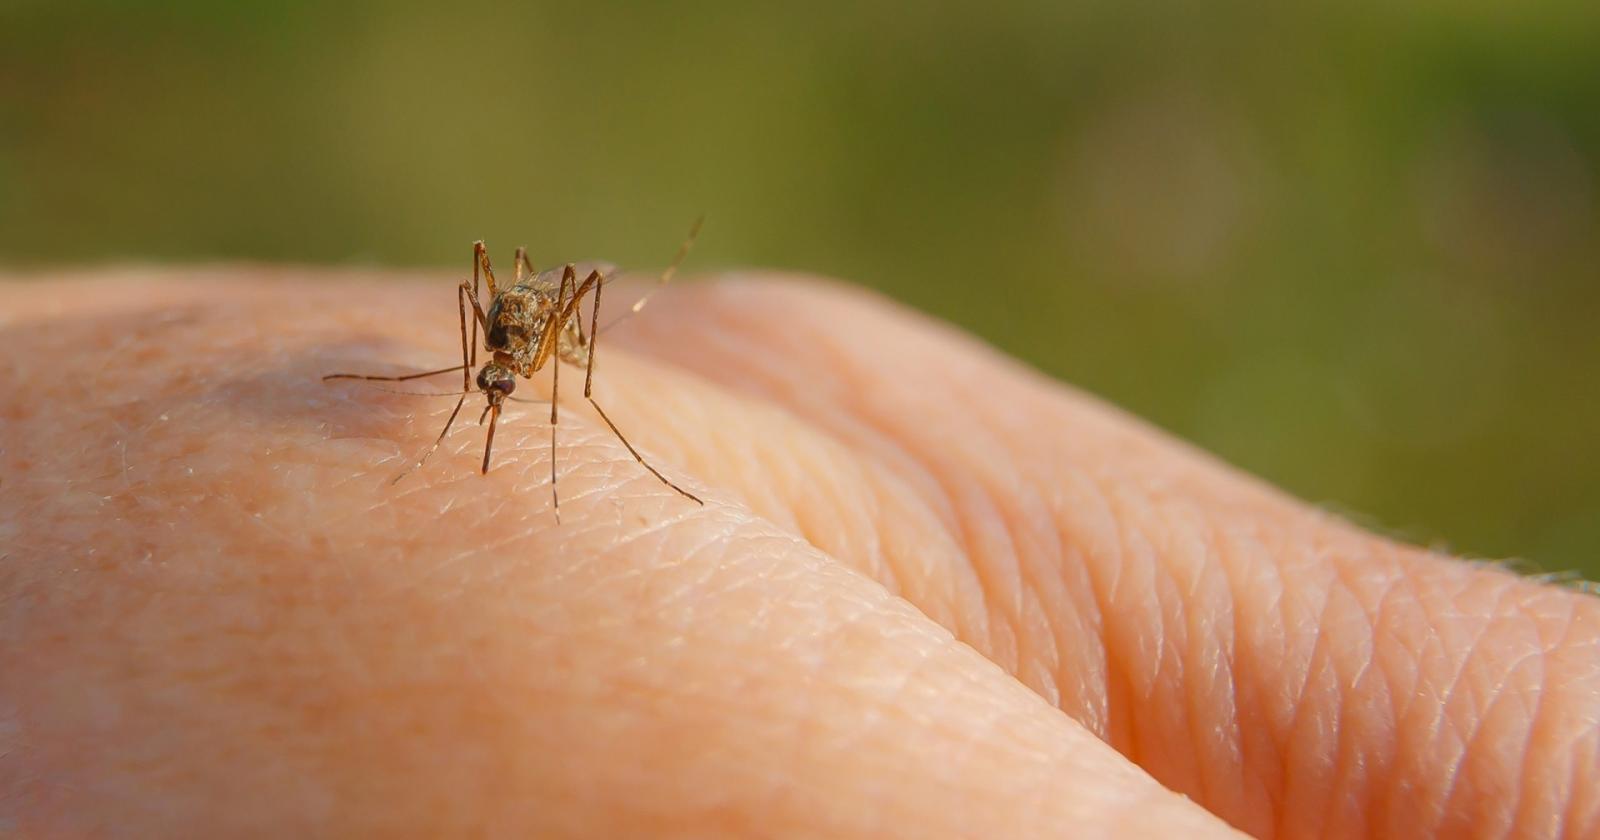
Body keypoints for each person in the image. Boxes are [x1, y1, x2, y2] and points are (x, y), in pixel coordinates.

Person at [4, 270, 1596, 837]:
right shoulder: (483, 351)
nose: (496, 385)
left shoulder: (542, 344)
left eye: (497, 370)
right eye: (492, 369)